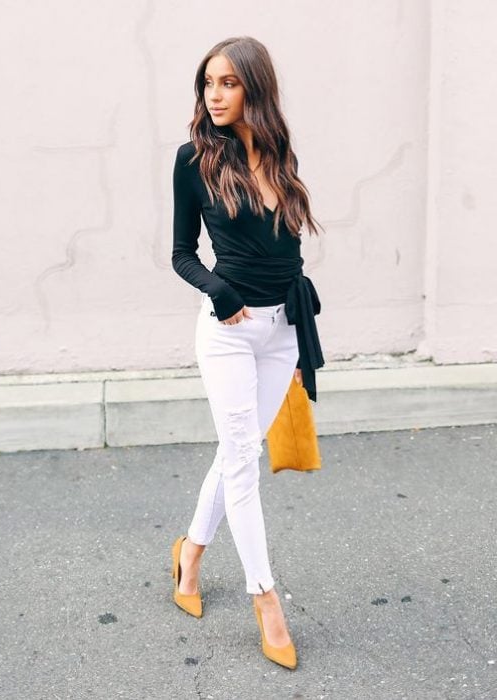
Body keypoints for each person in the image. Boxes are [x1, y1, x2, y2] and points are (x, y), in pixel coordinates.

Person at [170, 36, 325, 671]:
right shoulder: (192, 159)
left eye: (229, 82)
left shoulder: (281, 154)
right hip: (228, 332)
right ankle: (267, 599)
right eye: (209, 82)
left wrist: (290, 320)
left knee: (236, 453)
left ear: (254, 89)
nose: (215, 94)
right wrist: (221, 290)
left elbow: (287, 249)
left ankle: (190, 557)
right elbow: (181, 253)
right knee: (242, 466)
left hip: (281, 329)